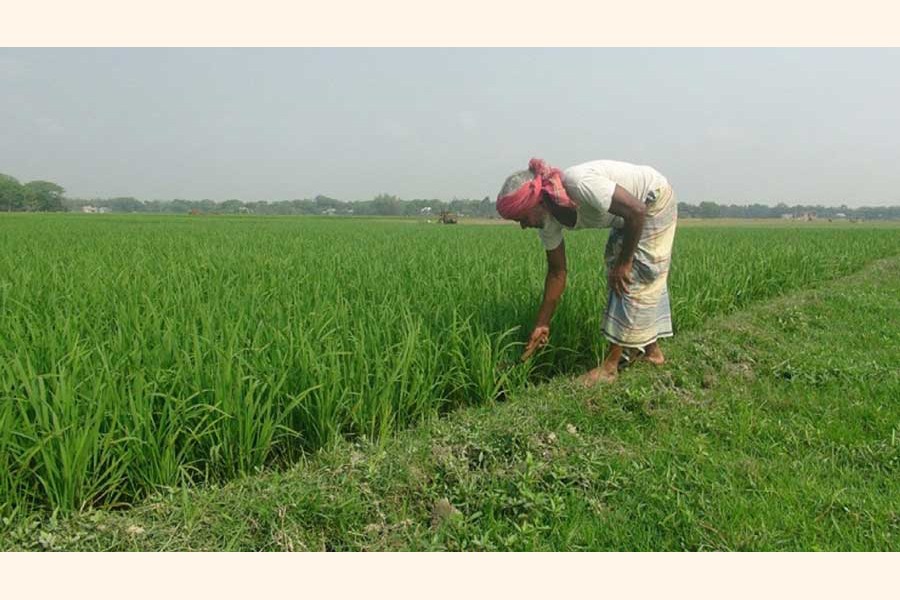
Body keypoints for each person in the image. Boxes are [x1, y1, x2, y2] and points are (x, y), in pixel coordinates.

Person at [496, 158, 678, 384]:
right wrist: (543, 323)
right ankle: (652, 353)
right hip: (627, 218)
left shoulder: (579, 184)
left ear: (538, 202)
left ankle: (610, 367)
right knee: (617, 267)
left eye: (522, 218)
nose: (523, 226)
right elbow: (557, 272)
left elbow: (637, 211)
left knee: (632, 274)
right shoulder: (547, 222)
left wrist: (626, 262)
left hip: (652, 200)